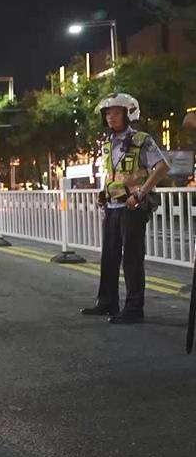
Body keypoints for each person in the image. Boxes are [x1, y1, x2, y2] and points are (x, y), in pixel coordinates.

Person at [81, 93, 169, 324]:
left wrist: (141, 193)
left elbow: (162, 166)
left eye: (116, 112)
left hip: (132, 207)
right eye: (107, 113)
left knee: (132, 259)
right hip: (112, 206)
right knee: (109, 257)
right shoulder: (107, 143)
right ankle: (107, 302)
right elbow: (113, 173)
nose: (110, 117)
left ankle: (134, 308)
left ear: (129, 113)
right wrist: (104, 192)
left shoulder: (141, 140)